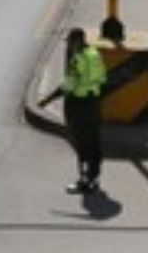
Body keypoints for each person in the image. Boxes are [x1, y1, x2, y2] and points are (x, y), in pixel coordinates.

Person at [38, 27, 108, 193]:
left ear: (77, 41)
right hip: (94, 103)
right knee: (94, 142)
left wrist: (48, 99)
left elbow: (69, 85)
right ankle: (94, 177)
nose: (69, 46)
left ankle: (84, 181)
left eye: (70, 42)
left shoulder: (78, 59)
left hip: (80, 106)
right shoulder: (94, 54)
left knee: (81, 144)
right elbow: (103, 78)